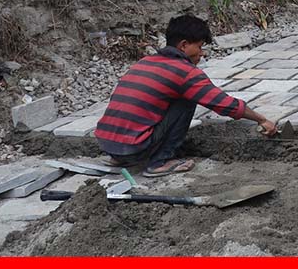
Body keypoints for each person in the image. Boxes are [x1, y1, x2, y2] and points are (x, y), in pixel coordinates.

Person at [95, 15, 279, 177]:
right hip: (134, 148)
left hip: (107, 144)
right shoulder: (184, 72)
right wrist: (261, 120)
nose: (202, 53)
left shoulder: (144, 62)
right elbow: (223, 104)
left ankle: (120, 158)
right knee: (187, 99)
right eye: (199, 47)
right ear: (184, 45)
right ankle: (159, 162)